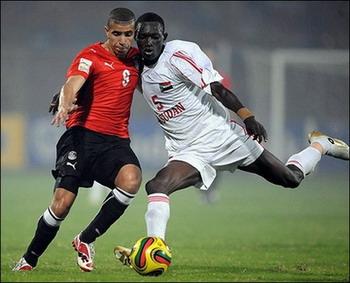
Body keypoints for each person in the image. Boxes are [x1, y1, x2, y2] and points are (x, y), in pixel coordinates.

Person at [114, 12, 349, 264]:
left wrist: (247, 116)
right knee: (157, 185)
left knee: (290, 179)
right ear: (136, 38)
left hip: (223, 137)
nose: (149, 42)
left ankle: (321, 145)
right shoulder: (134, 65)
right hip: (188, 151)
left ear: (164, 38)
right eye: (143, 37)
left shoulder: (178, 56)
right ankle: (154, 249)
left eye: (154, 36)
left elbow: (217, 89)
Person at [13, 7, 142, 272]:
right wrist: (64, 102)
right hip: (81, 137)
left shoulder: (136, 58)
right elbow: (73, 83)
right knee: (62, 204)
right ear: (107, 32)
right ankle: (29, 259)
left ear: (134, 33)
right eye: (116, 33)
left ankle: (85, 239)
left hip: (115, 141)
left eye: (128, 34)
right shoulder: (90, 55)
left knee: (132, 180)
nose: (122, 40)